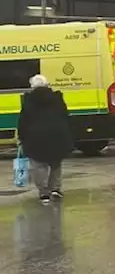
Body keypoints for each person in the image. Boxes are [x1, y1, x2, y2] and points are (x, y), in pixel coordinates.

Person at [17, 74, 73, 204]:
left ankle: (44, 193)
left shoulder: (29, 101)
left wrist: (21, 137)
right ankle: (55, 189)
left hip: (35, 137)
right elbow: (66, 116)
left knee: (38, 165)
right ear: (47, 85)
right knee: (55, 163)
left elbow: (23, 121)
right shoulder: (57, 98)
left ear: (32, 87)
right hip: (57, 134)